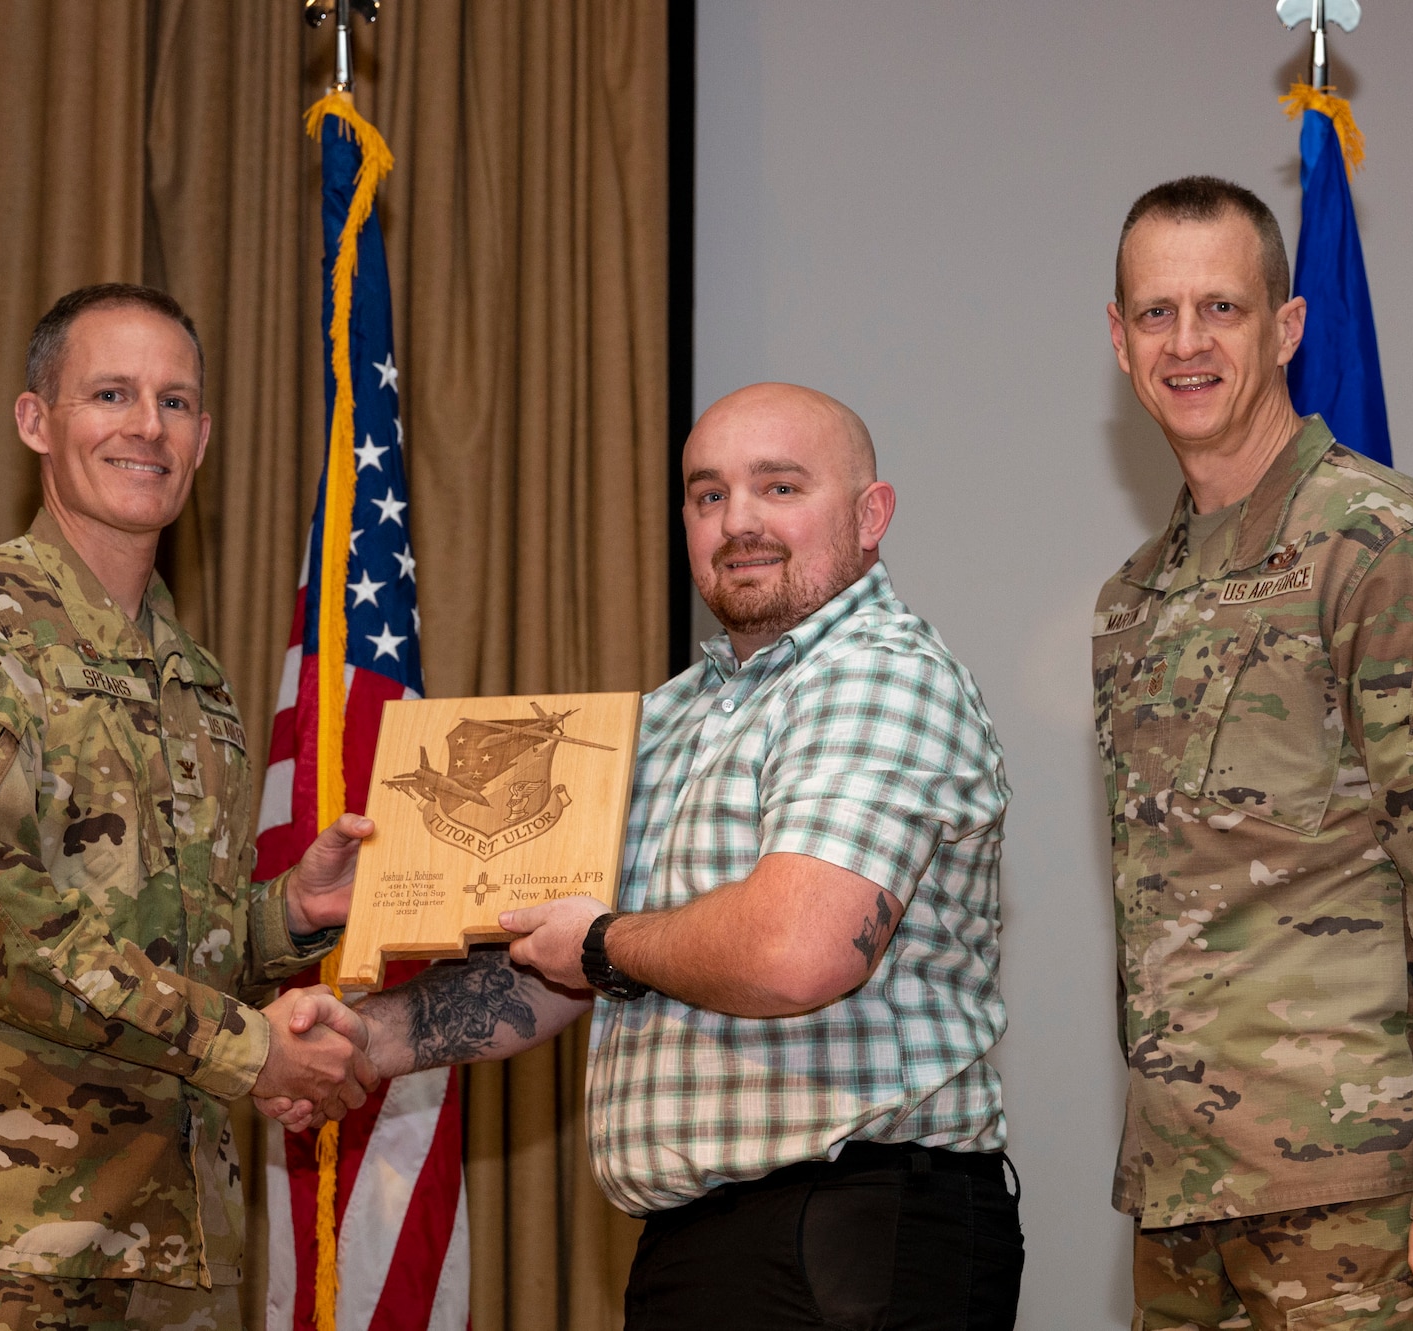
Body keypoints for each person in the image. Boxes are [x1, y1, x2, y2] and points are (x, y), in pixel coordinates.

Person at [268, 382, 1023, 1328]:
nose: (738, 520)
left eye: (779, 487)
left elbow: (797, 950)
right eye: (708, 496)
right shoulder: (662, 720)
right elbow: (560, 961)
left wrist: (599, 944)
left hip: (852, 1232)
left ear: (871, 515)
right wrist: (366, 1040)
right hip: (697, 1246)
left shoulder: (882, 671)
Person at [0, 283, 375, 1330]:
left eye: (175, 403)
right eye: (112, 394)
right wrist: (248, 1046)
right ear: (36, 419)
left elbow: (167, 939)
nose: (146, 426)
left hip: (174, 1253)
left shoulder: (201, 683)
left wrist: (289, 916)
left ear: (205, 437)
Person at [1095, 177, 1413, 1331]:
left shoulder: (1383, 545)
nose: (1186, 342)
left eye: (1221, 308)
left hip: (1360, 1203)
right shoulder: (1134, 599)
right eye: (1155, 314)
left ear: (1286, 327)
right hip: (1182, 1205)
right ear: (1117, 342)